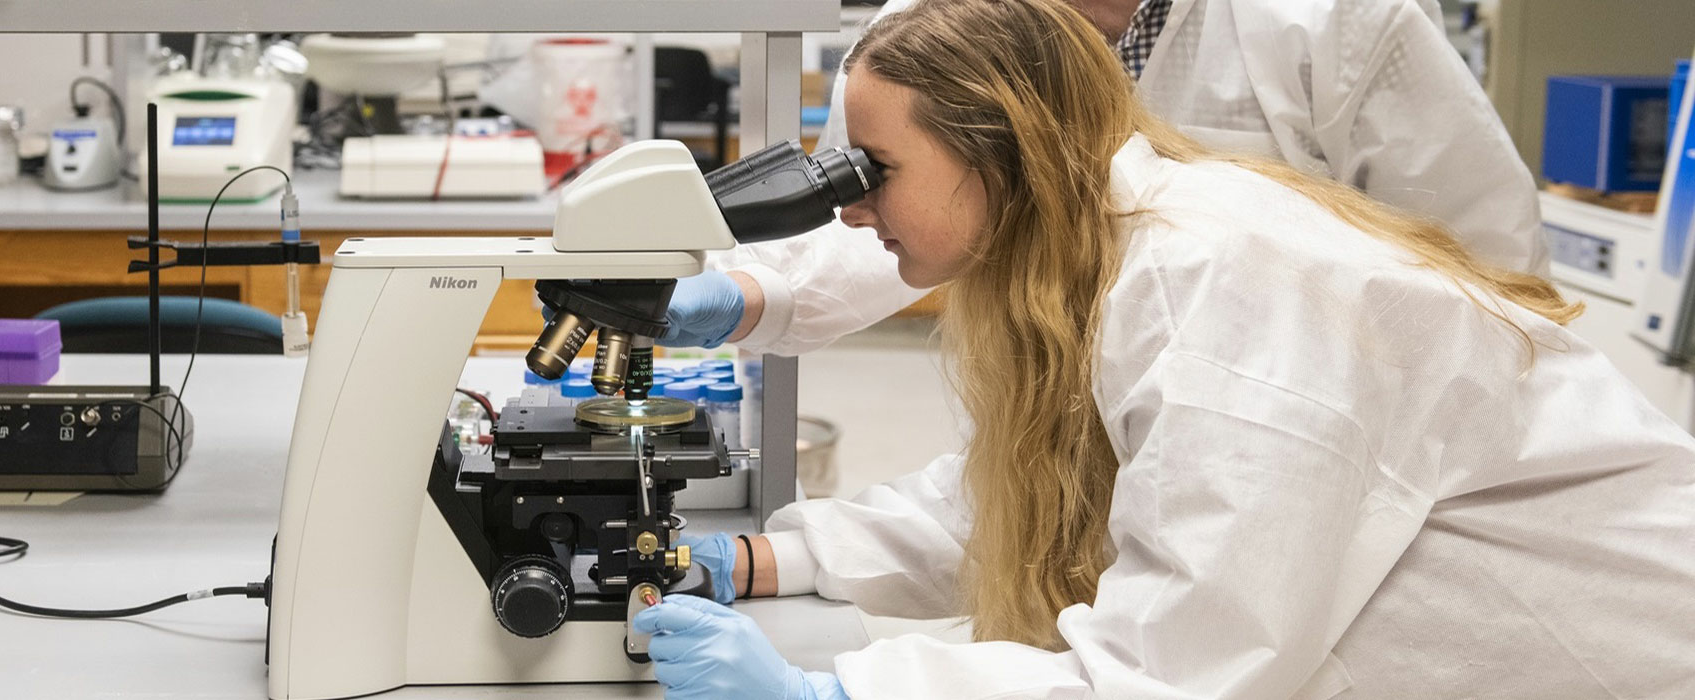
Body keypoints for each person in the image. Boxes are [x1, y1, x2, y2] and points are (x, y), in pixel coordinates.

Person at [630, 0, 1695, 698]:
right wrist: (777, 558)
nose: (849, 209)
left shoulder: (1223, 293)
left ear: (1003, 144)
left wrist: (844, 692)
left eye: (871, 171)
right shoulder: (1097, 249)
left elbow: (1169, 671)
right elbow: (1051, 483)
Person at [662, 0, 1547, 356]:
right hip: (1062, 398)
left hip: (1307, 410)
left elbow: (1492, 268)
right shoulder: (942, 19)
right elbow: (896, 205)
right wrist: (746, 293)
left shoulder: (1332, 20)